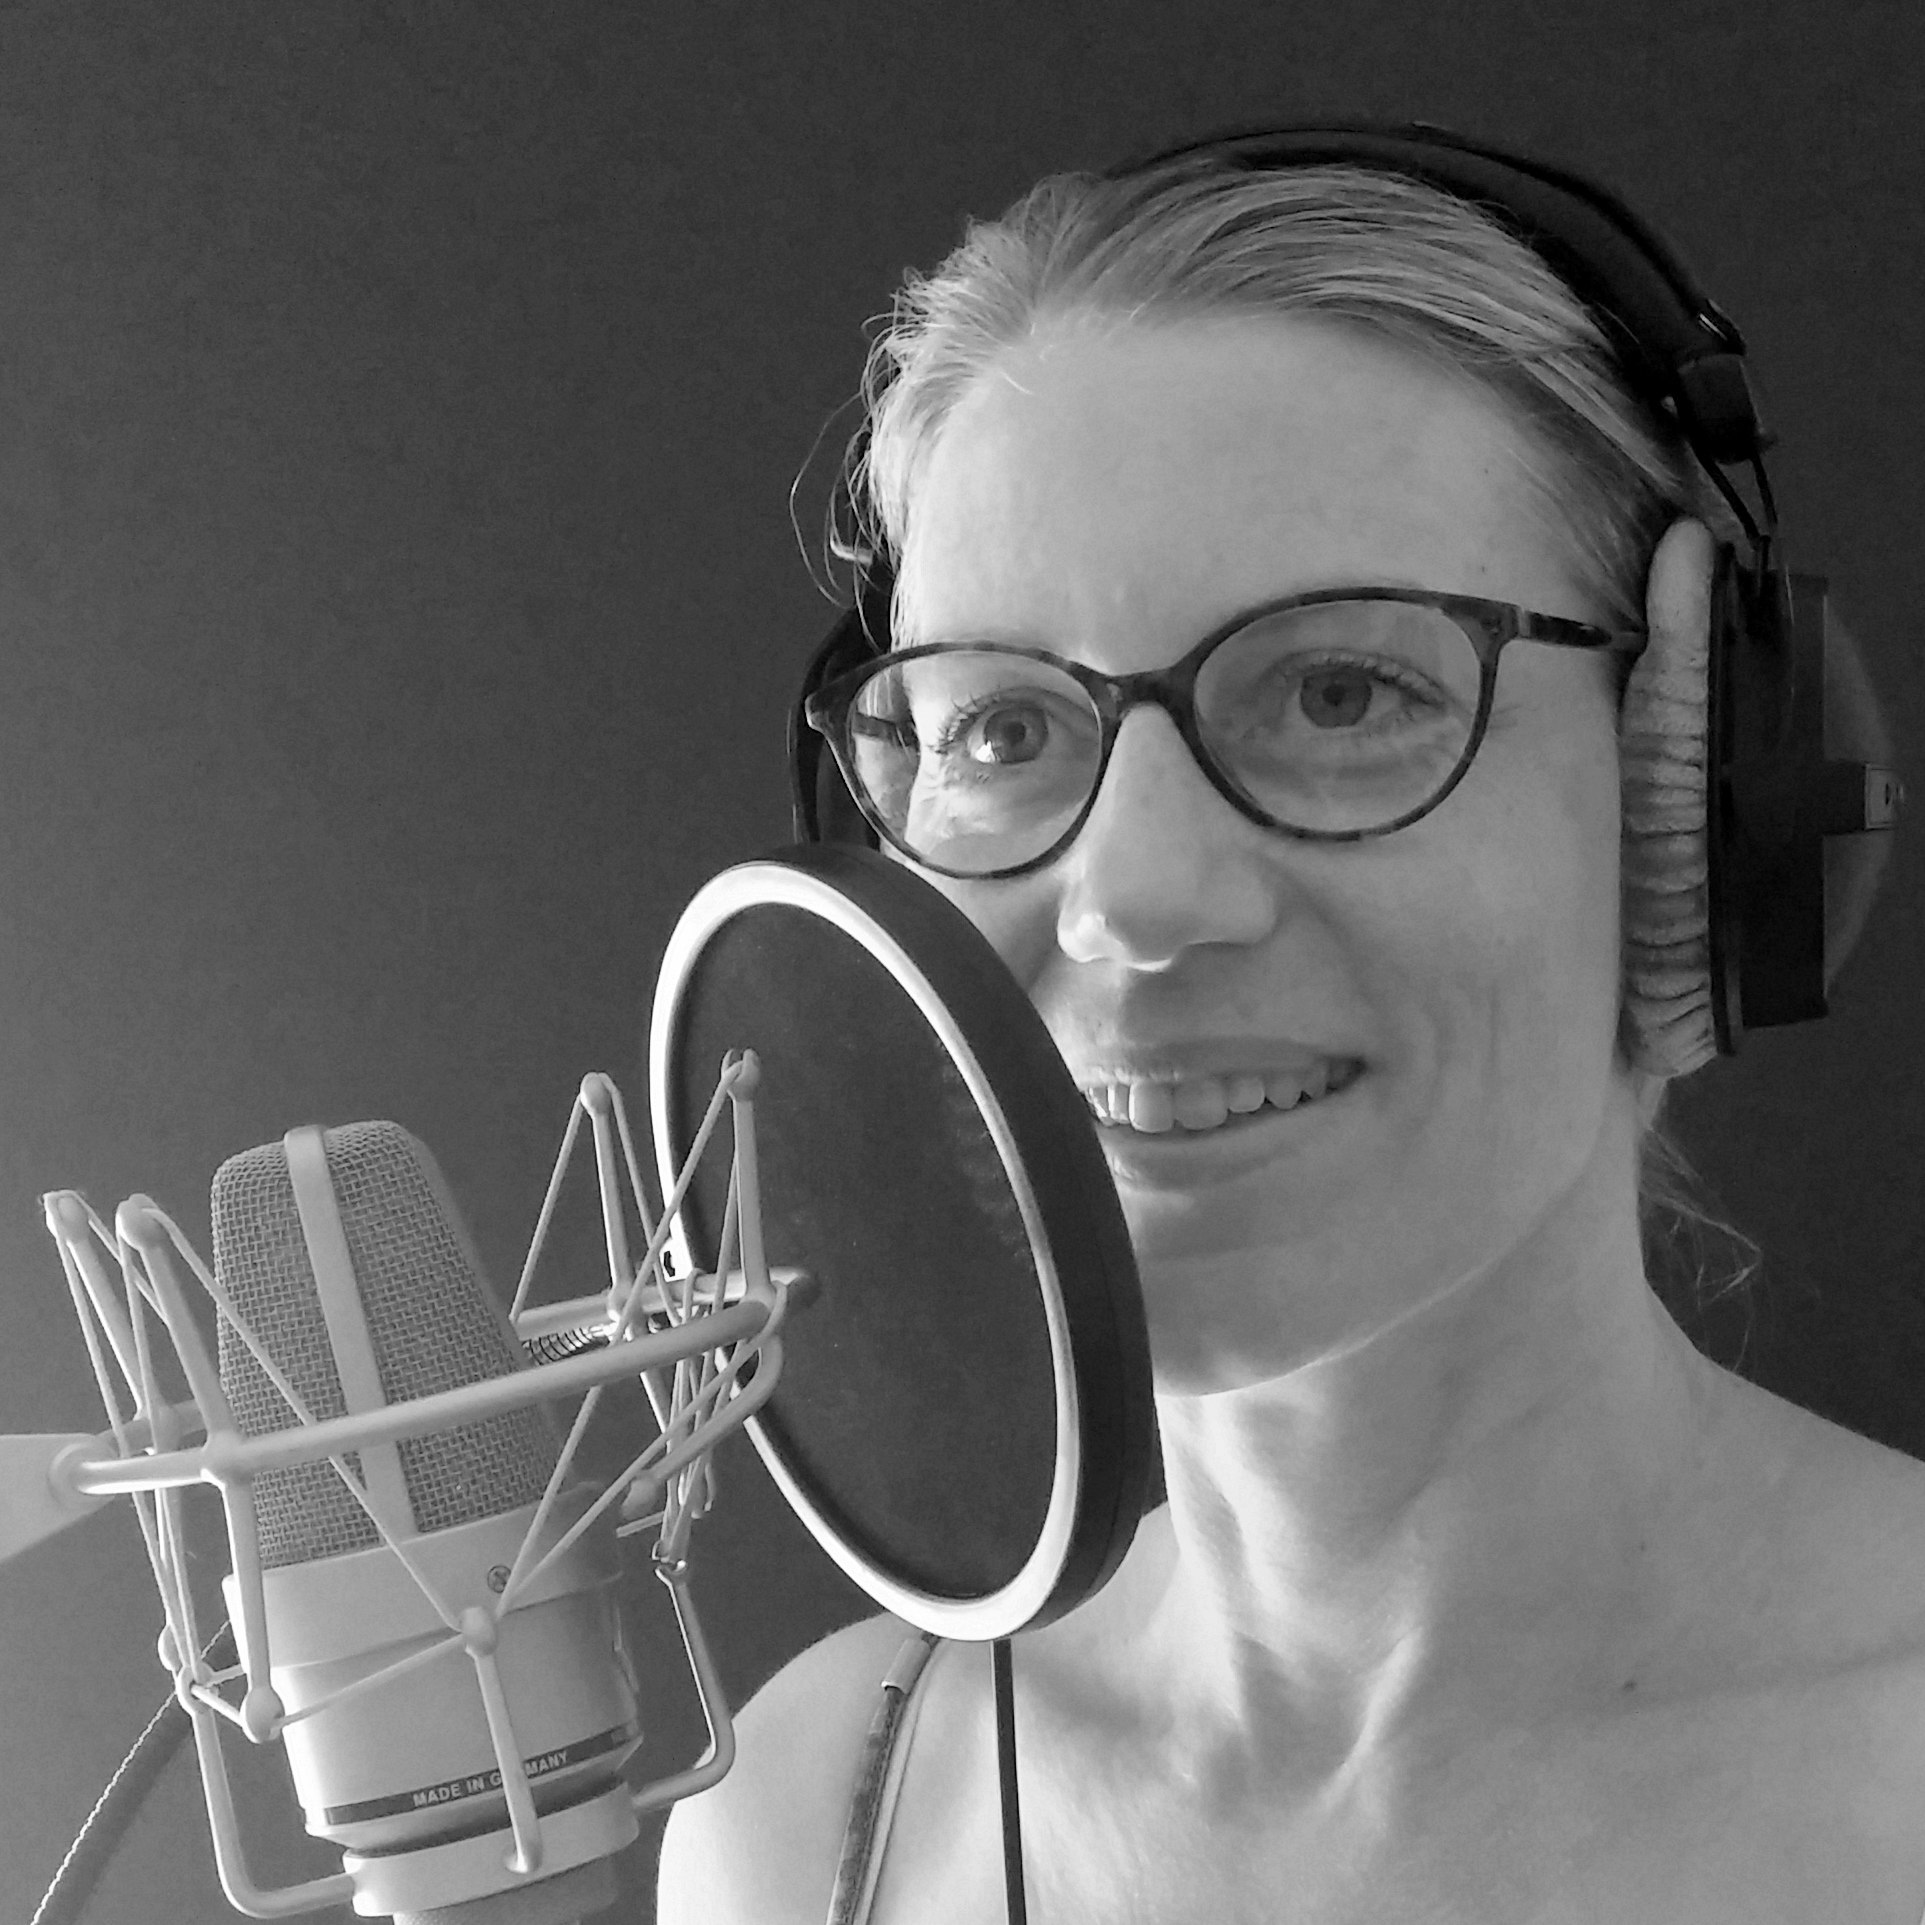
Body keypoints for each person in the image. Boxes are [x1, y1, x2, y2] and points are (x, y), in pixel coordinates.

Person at [657, 135, 1923, 1923]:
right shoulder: (806, 1818)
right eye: (1003, 732)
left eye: (1341, 691)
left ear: (1698, 801)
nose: (1128, 900)